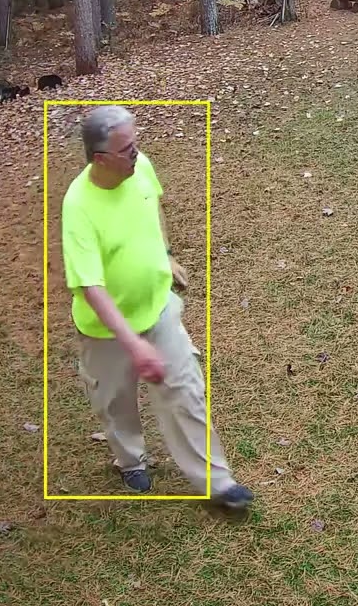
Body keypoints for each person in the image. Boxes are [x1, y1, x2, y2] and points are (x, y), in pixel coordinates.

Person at [60, 104, 252, 508]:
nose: (137, 153)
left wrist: (165, 253)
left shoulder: (139, 166)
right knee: (116, 403)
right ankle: (131, 460)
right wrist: (135, 344)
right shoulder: (78, 206)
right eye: (127, 149)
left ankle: (216, 481)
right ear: (100, 158)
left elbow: (154, 204)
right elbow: (91, 287)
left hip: (158, 307)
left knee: (187, 391)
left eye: (136, 144)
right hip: (106, 330)